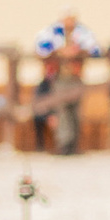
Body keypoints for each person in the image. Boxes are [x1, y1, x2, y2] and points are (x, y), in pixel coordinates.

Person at [31, 10, 96, 155]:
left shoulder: (82, 34)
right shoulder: (53, 34)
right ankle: (64, 145)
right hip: (60, 78)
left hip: (76, 78)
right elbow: (41, 50)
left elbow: (93, 49)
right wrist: (60, 51)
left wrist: (76, 52)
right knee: (62, 112)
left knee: (76, 112)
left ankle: (74, 145)